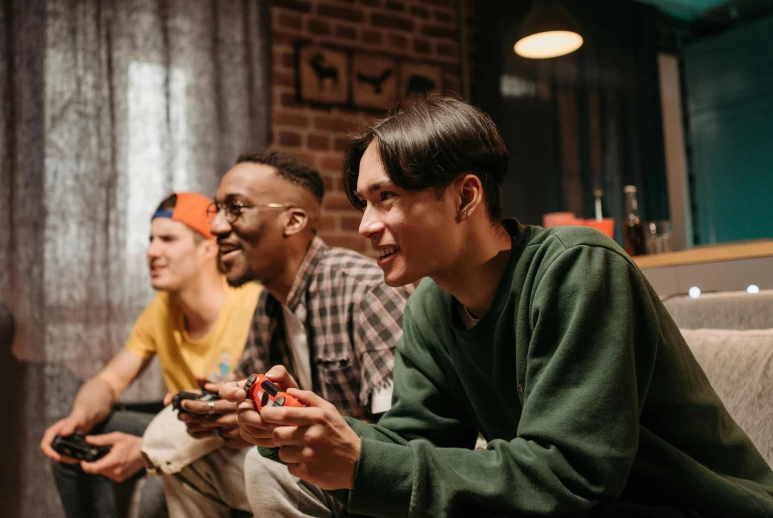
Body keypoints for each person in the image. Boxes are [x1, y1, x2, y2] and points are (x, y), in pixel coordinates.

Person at [226, 96, 773, 518]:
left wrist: (367, 464)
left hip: (686, 508)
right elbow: (417, 442)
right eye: (364, 203)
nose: (366, 225)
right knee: (271, 470)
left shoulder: (576, 267)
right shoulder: (429, 305)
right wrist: (297, 429)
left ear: (466, 196)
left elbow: (570, 473)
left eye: (387, 198)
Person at [160, 149, 411, 517]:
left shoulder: (363, 290)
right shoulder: (268, 303)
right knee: (180, 454)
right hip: (316, 471)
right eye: (218, 210)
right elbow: (251, 389)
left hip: (375, 483)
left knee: (267, 467)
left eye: (237, 208)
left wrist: (286, 424)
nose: (215, 229)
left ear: (292, 221)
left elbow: (401, 436)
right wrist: (228, 409)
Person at [40, 192, 262, 518]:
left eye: (168, 239)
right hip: (180, 424)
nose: (152, 251)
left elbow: (255, 415)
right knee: (76, 438)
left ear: (208, 248)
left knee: (159, 489)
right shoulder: (163, 308)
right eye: (151, 239)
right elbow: (110, 380)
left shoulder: (252, 306)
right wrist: (78, 417)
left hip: (232, 437)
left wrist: (147, 452)